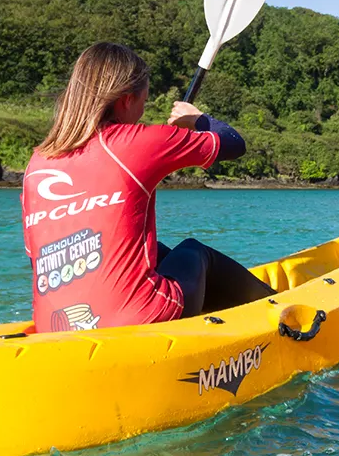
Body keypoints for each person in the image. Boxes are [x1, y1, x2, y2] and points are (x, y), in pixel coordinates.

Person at [21, 42, 276, 333]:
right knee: (195, 252)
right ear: (127, 100)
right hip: (140, 315)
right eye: (144, 98)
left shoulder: (38, 161)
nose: (143, 109)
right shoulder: (135, 142)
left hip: (54, 326)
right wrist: (197, 119)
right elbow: (233, 143)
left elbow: (37, 258)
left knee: (155, 250)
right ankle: (275, 312)